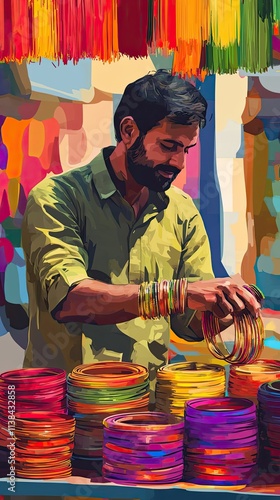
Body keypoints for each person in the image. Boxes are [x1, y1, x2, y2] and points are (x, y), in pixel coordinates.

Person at [21, 69, 260, 403]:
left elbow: (186, 325)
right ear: (129, 131)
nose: (177, 162)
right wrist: (179, 293)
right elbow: (71, 300)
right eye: (168, 146)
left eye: (186, 150)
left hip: (146, 411)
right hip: (64, 413)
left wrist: (226, 307)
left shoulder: (182, 211)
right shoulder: (56, 198)